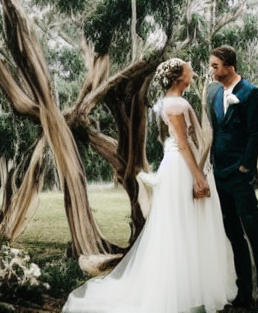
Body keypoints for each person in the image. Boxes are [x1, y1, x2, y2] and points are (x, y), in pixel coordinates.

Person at [63, 57, 237, 313]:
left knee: (180, 226)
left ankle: (188, 286)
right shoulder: (176, 103)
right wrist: (198, 176)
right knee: (186, 226)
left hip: (178, 165)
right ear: (179, 77)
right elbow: (183, 143)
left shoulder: (168, 102)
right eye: (188, 68)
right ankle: (187, 289)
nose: (193, 70)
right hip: (183, 168)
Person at [207, 45, 258, 313]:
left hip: (240, 176)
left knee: (255, 234)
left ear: (229, 66)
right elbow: (217, 132)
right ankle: (244, 293)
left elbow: (255, 134)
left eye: (215, 66)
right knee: (234, 236)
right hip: (220, 175)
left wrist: (246, 167)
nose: (212, 70)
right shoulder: (215, 94)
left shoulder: (251, 93)